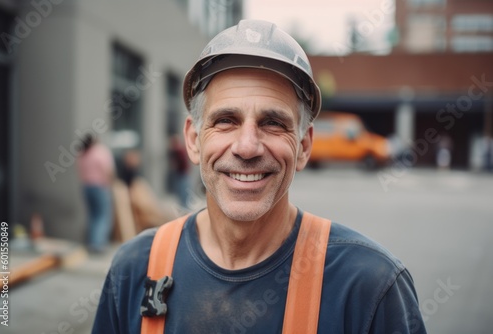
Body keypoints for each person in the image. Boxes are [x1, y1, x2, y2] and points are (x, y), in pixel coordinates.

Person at [92, 20, 427, 333]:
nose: (247, 147)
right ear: (194, 140)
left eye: (273, 123)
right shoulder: (134, 269)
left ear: (304, 146)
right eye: (226, 120)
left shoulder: (369, 287)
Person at [76, 134, 115, 253]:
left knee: (92, 215)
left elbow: (78, 170)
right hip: (100, 186)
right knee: (102, 216)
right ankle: (98, 245)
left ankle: (92, 242)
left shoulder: (82, 154)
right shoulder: (100, 151)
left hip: (86, 187)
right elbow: (108, 170)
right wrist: (111, 184)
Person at [168, 134, 191, 209]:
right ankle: (184, 206)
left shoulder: (178, 151)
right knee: (182, 191)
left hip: (181, 173)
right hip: (182, 173)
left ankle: (184, 207)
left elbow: (179, 163)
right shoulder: (179, 150)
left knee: (182, 191)